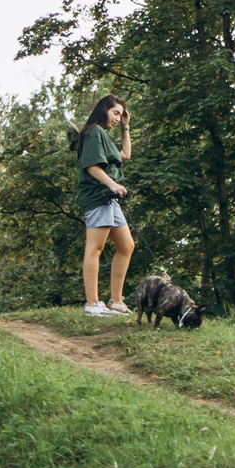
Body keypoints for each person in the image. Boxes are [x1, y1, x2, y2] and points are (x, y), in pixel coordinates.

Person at [74, 95, 134, 317]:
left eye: (120, 114)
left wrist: (125, 128)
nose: (118, 118)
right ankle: (92, 304)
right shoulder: (93, 132)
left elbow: (126, 154)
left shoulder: (104, 137)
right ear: (103, 110)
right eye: (115, 113)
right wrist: (113, 184)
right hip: (97, 196)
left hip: (109, 198)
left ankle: (116, 301)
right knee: (95, 249)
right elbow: (91, 166)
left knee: (126, 246)